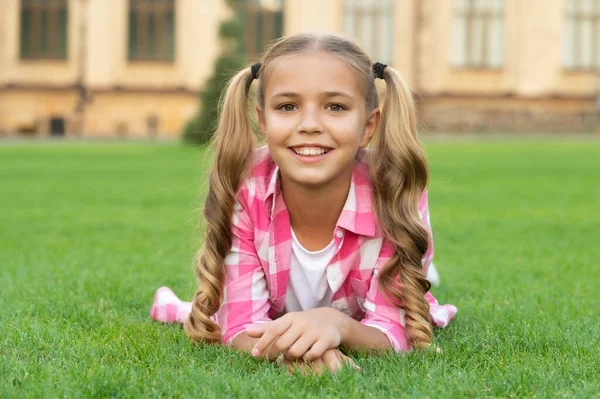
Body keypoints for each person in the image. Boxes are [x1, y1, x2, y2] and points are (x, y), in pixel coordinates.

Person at [150, 33, 457, 374]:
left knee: (409, 280)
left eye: (335, 107)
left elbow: (393, 330)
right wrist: (297, 353)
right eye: (288, 107)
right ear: (263, 121)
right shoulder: (247, 184)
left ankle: (424, 268)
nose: (309, 125)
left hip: (358, 307)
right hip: (279, 313)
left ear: (368, 126)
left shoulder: (394, 189)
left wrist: (335, 325)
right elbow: (240, 325)